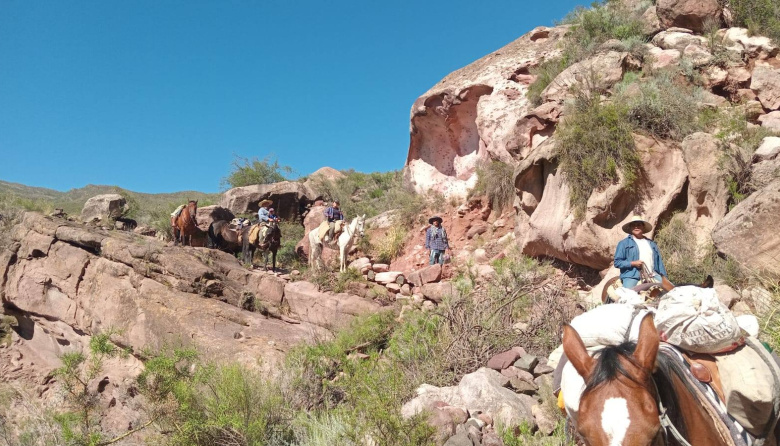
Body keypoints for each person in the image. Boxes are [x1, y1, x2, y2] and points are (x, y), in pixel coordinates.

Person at [614, 215, 668, 289]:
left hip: (653, 274)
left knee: (672, 291)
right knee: (628, 295)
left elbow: (660, 263)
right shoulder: (623, 243)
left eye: (639, 225)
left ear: (643, 227)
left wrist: (665, 278)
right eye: (633, 225)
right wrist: (633, 263)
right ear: (630, 228)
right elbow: (617, 262)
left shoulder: (652, 244)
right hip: (632, 276)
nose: (636, 227)